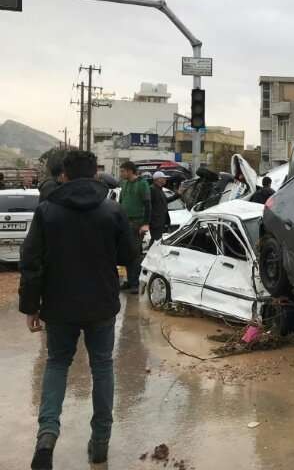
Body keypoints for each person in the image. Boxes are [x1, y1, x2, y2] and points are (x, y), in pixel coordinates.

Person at [19, 150, 134, 468]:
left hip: (58, 305)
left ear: (64, 177)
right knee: (102, 368)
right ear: (96, 175)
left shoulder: (47, 211)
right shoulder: (113, 210)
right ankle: (100, 443)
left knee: (57, 364)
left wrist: (31, 306)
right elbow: (129, 255)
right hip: (101, 305)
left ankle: (46, 437)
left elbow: (31, 263)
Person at [118, 161, 150, 294]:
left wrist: (145, 223)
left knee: (134, 254)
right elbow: (121, 202)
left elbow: (148, 205)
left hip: (137, 222)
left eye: (123, 171)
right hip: (124, 222)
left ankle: (135, 283)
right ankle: (128, 280)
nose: (121, 174)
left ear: (130, 171)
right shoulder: (124, 184)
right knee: (125, 252)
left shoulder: (142, 184)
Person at [149, 171, 177, 246]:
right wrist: (151, 221)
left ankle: (152, 254)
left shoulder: (160, 189)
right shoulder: (152, 189)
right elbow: (148, 206)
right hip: (155, 222)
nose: (165, 180)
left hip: (160, 221)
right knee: (155, 241)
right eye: (164, 178)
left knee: (157, 241)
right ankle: (150, 255)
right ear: (158, 179)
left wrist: (178, 194)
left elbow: (165, 201)